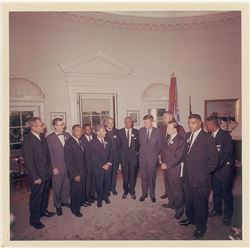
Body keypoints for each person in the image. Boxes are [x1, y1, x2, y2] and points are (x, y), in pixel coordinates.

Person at [179, 114, 219, 239]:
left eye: (193, 123)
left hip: (201, 180)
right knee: (189, 201)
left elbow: (214, 162)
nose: (190, 125)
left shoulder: (208, 139)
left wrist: (201, 173)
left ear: (200, 123)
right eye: (189, 122)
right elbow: (186, 156)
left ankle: (201, 227)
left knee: (201, 204)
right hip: (188, 177)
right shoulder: (187, 135)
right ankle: (191, 219)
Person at [22, 117, 55, 229]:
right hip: (37, 176)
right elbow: (29, 162)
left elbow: (47, 155)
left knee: (45, 195)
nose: (43, 127)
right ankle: (34, 219)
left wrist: (50, 169)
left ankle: (43, 211)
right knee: (36, 197)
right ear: (34, 127)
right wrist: (35, 177)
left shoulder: (41, 136)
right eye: (41, 125)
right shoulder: (27, 140)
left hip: (46, 173)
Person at [205, 116, 235, 225]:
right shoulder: (209, 135)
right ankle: (217, 210)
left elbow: (226, 155)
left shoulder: (225, 136)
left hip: (224, 171)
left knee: (226, 194)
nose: (206, 127)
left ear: (213, 125)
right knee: (216, 192)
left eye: (207, 125)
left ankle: (228, 215)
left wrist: (213, 167)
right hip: (214, 171)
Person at [160, 121, 185, 220]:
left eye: (169, 128)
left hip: (174, 168)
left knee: (177, 189)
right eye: (167, 127)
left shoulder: (181, 140)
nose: (167, 129)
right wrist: (161, 160)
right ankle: (171, 203)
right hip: (165, 167)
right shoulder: (168, 137)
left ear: (175, 129)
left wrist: (167, 165)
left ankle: (179, 209)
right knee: (168, 187)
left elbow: (178, 157)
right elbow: (164, 150)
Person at [46, 118, 71, 216]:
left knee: (67, 184)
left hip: (68, 165)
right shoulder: (49, 138)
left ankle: (65, 201)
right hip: (57, 167)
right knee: (57, 186)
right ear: (55, 126)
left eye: (63, 124)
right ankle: (58, 205)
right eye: (60, 125)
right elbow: (50, 154)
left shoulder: (68, 135)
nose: (63, 126)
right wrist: (53, 167)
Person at [139, 115, 163, 203]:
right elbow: (139, 143)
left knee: (151, 176)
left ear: (152, 122)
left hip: (152, 158)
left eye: (148, 122)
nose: (146, 124)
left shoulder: (158, 131)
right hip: (142, 158)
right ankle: (144, 194)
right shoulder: (141, 130)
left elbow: (160, 145)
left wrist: (155, 154)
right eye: (144, 122)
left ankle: (152, 194)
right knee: (143, 176)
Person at [64, 124, 87, 217]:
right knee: (75, 192)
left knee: (79, 190)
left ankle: (78, 204)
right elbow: (69, 162)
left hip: (81, 171)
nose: (80, 132)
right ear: (73, 131)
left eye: (81, 130)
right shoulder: (69, 143)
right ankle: (75, 209)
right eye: (77, 130)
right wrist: (75, 174)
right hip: (76, 173)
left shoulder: (78, 141)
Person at [90, 124, 113, 208]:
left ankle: (105, 197)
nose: (105, 132)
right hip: (98, 168)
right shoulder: (92, 143)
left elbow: (111, 153)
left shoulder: (108, 140)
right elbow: (93, 156)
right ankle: (99, 199)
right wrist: (102, 165)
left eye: (105, 130)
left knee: (107, 183)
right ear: (97, 132)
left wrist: (109, 163)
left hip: (108, 166)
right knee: (99, 184)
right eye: (103, 131)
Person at [119, 116, 139, 200]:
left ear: (132, 123)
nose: (128, 123)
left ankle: (132, 191)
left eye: (130, 121)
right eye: (126, 121)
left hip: (133, 158)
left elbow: (139, 144)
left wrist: (136, 153)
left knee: (133, 176)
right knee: (125, 176)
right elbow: (118, 146)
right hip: (123, 158)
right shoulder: (120, 132)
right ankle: (125, 191)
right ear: (124, 122)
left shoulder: (136, 132)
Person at [80, 124, 96, 204]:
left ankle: (93, 194)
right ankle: (87, 196)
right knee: (88, 181)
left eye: (90, 129)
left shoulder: (95, 136)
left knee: (94, 179)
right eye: (87, 129)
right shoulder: (81, 139)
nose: (89, 131)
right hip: (86, 163)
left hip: (95, 163)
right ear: (83, 130)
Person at [105, 117, 120, 195]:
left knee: (114, 173)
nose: (111, 124)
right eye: (109, 123)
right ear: (106, 123)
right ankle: (107, 189)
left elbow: (119, 145)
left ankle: (113, 188)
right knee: (107, 174)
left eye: (112, 123)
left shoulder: (117, 131)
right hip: (106, 158)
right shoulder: (103, 132)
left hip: (115, 157)